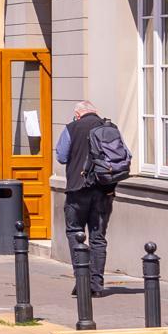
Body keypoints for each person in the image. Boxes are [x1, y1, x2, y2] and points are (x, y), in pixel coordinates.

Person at [54, 99, 116, 295]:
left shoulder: (72, 128)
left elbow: (62, 156)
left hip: (77, 190)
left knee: (75, 233)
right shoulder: (110, 128)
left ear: (78, 114)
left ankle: (82, 280)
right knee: (98, 238)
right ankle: (96, 285)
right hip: (103, 191)